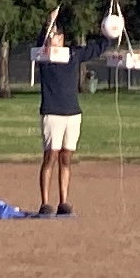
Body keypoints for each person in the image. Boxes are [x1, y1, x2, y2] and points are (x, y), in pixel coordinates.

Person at [29, 16, 88, 216]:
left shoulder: (73, 54)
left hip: (72, 113)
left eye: (54, 34)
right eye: (49, 35)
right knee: (50, 156)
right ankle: (45, 202)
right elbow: (39, 44)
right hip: (52, 113)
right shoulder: (44, 57)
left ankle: (64, 201)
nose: (51, 38)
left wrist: (112, 29)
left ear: (62, 37)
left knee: (66, 158)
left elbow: (97, 48)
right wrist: (47, 24)